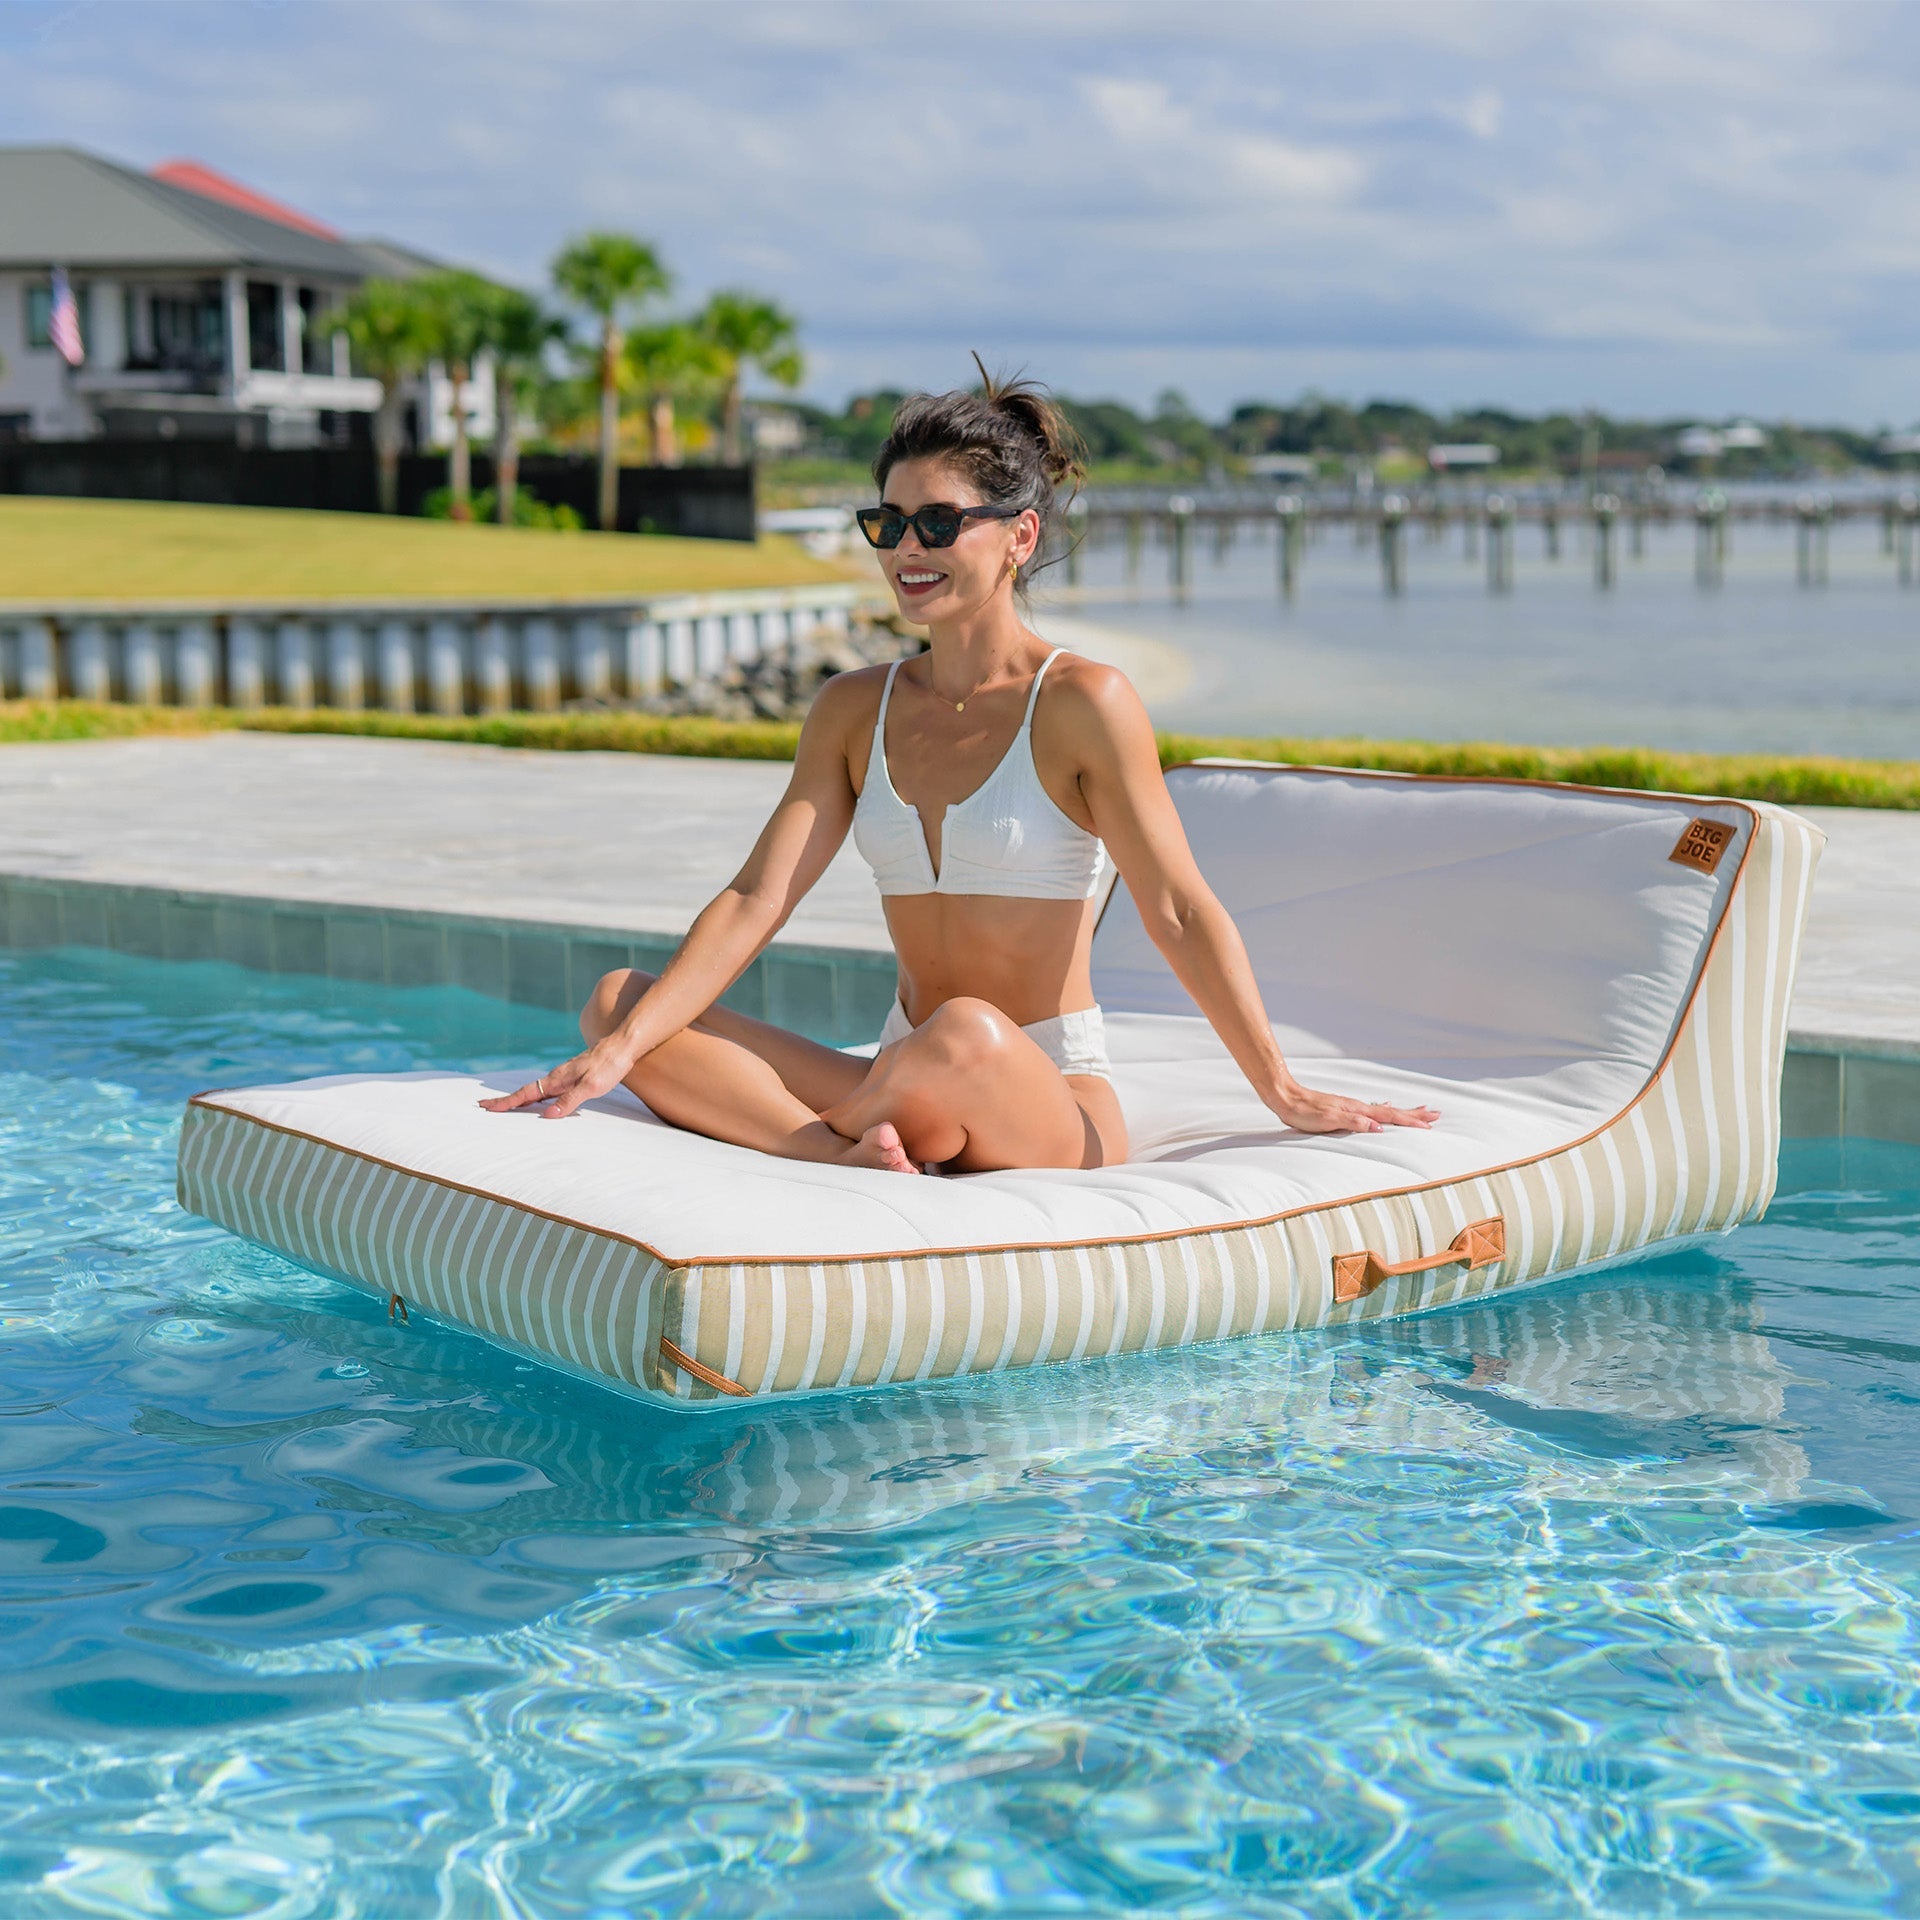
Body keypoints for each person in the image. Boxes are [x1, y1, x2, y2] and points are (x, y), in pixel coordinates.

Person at [481, 365, 1437, 1173]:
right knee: (620, 1001)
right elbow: (754, 899)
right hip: (902, 1067)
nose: (906, 549)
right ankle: (837, 1152)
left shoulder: (1082, 702)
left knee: (968, 1030)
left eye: (938, 525)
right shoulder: (855, 708)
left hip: (1041, 1090)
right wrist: (618, 1055)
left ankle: (846, 1131)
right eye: (887, 523)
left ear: (1019, 537)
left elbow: (1180, 908)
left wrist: (1280, 1086)